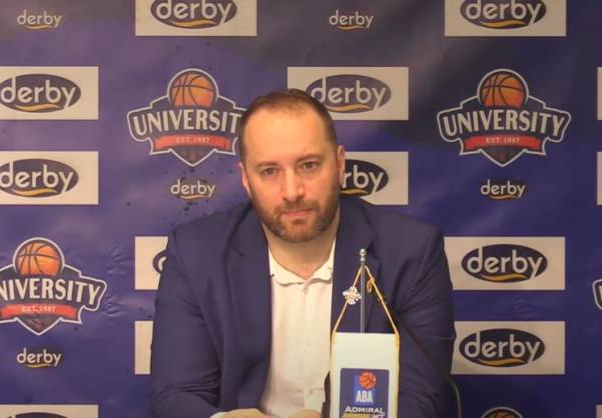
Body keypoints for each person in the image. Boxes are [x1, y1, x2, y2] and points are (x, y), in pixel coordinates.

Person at [149, 89, 455, 418]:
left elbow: (420, 400)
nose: (292, 191)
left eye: (308, 165)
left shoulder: (411, 252)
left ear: (339, 164)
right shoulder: (197, 253)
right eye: (269, 171)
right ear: (246, 179)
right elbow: (175, 397)